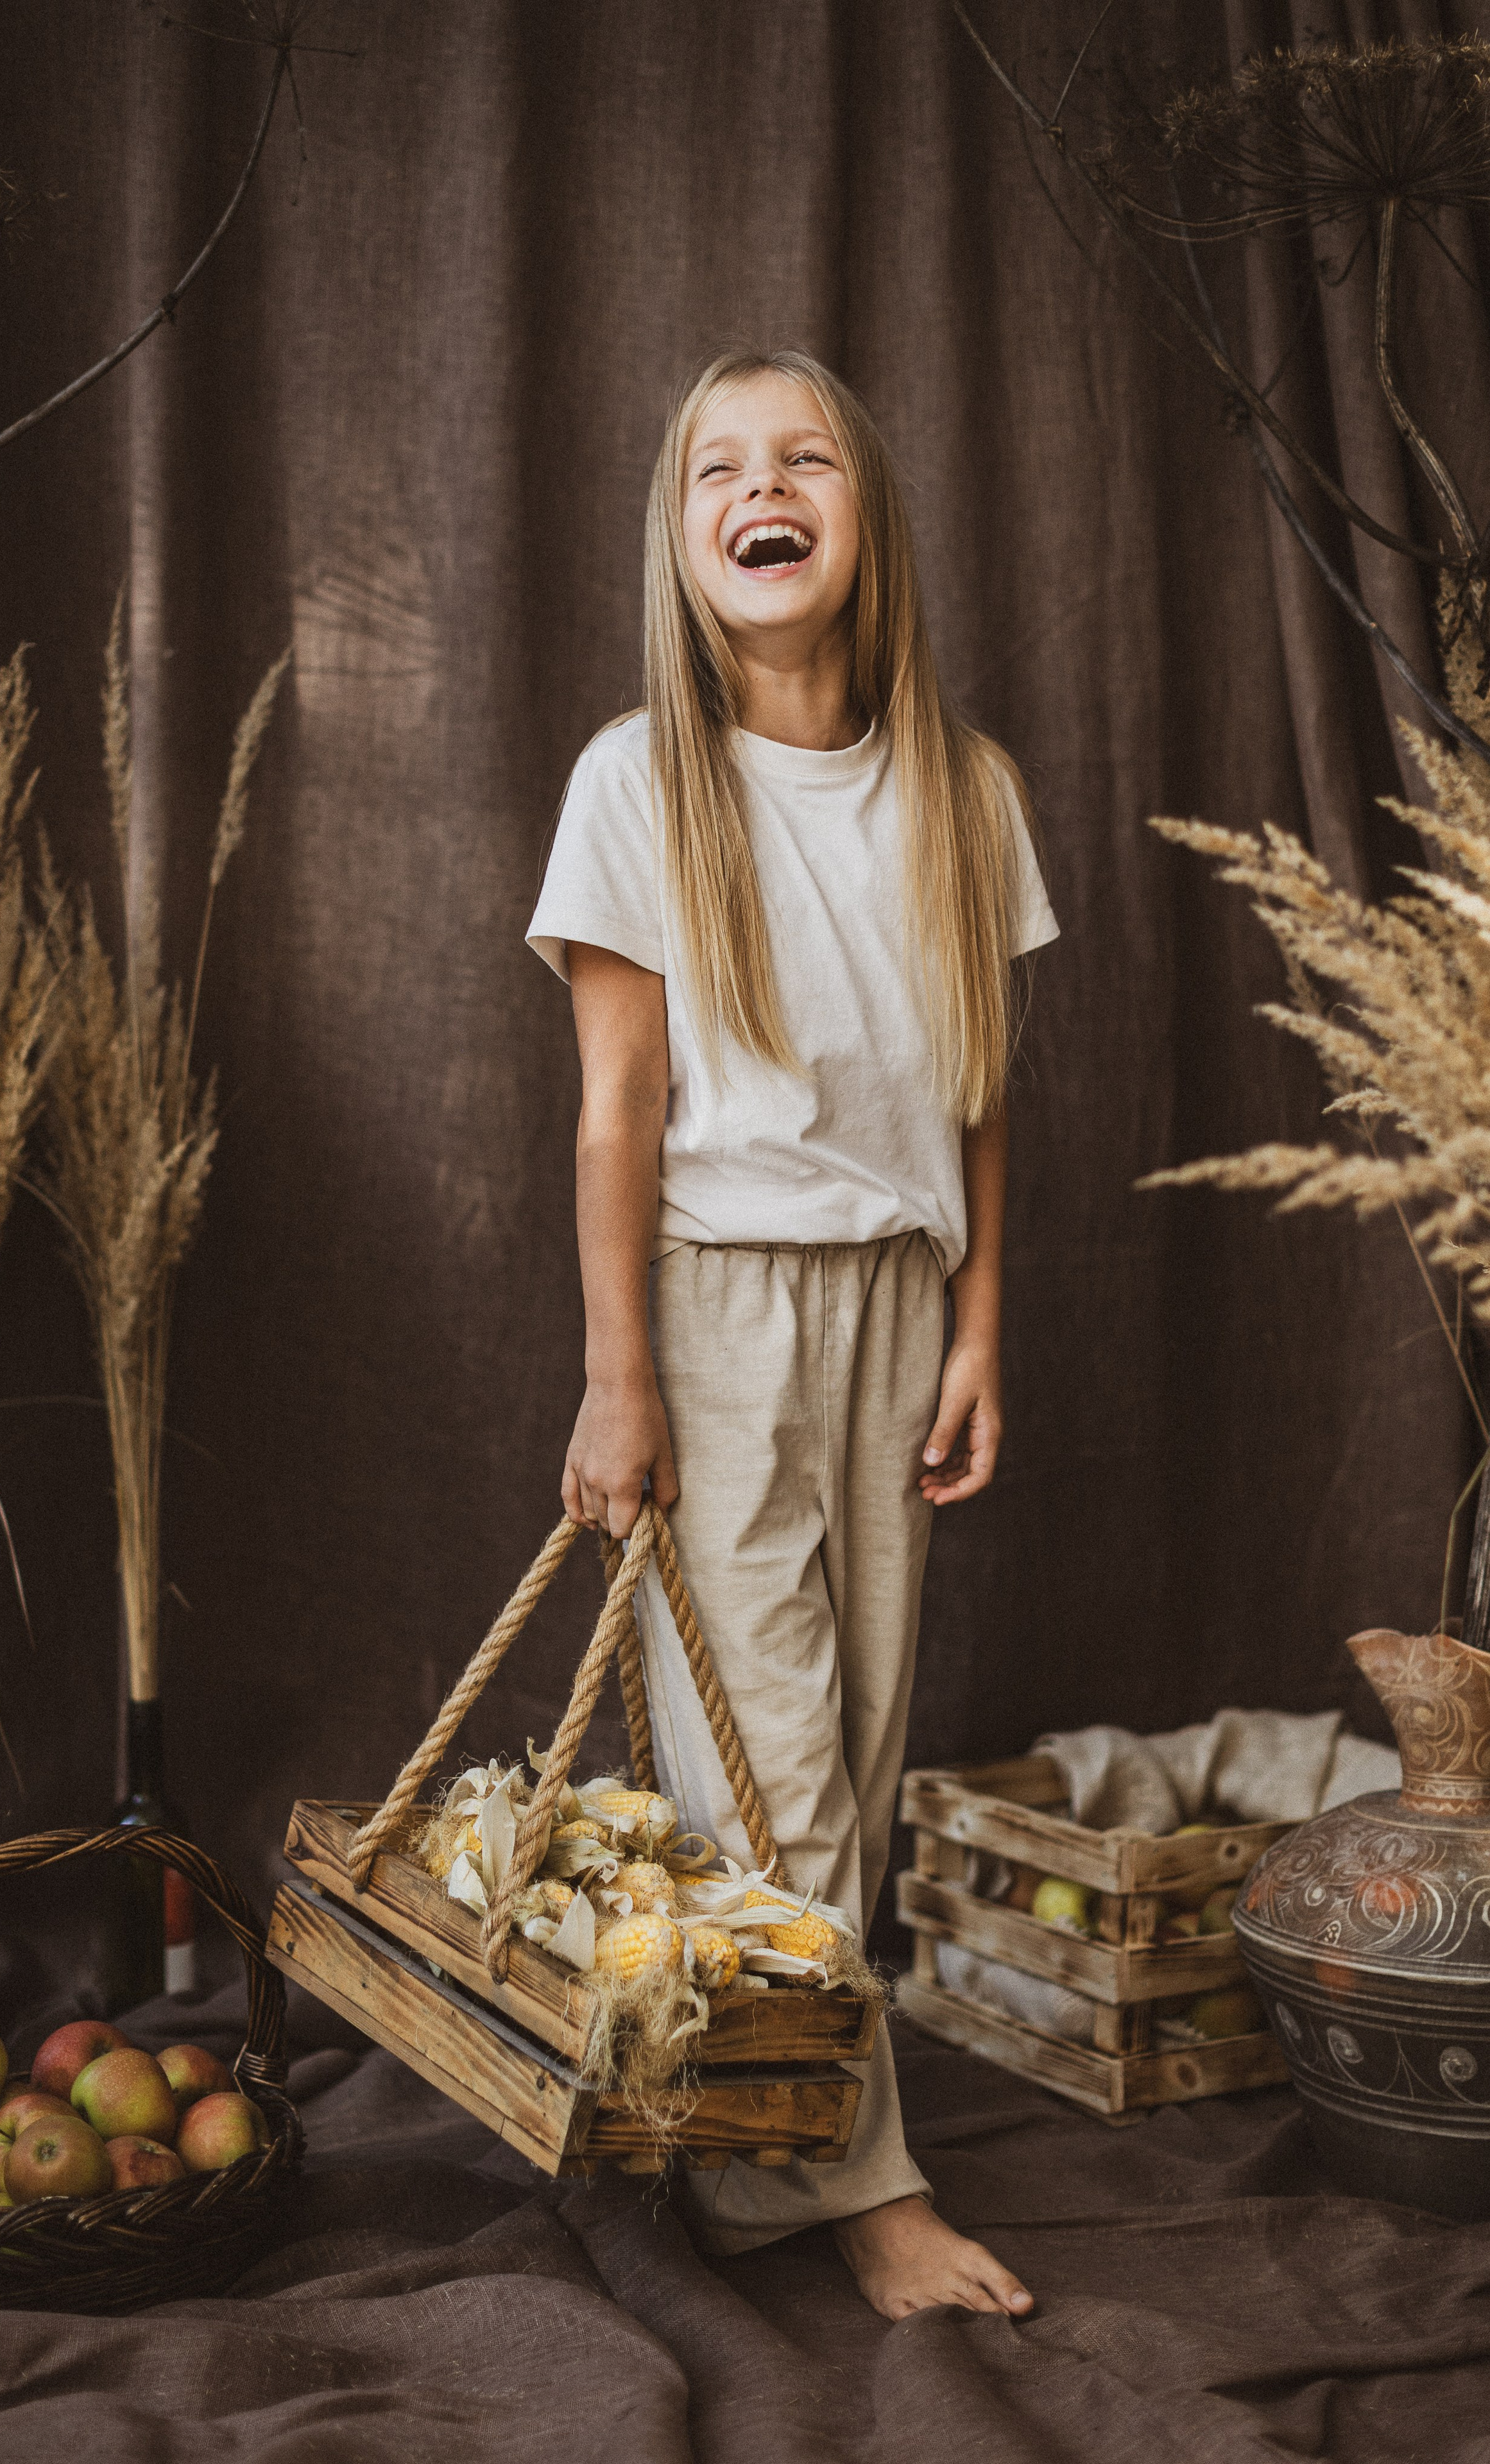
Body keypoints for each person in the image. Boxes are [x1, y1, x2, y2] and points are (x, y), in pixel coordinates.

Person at [526, 348, 1054, 2322]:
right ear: (684, 546)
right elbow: (615, 1111)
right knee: (775, 1779)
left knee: (864, 1745)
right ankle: (867, 2197)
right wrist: (619, 1373)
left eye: (805, 455)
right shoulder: (637, 783)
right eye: (718, 470)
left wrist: (982, 1323)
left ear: (862, 518)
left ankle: (755, 2146)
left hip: (898, 1305)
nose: (766, 486)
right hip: (716, 1306)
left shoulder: (964, 792)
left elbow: (989, 1094)